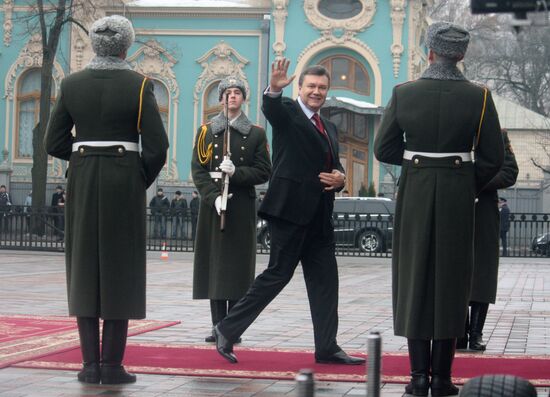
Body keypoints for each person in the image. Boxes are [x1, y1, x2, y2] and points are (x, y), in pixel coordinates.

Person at [374, 22, 504, 397]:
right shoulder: (479, 97)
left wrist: (419, 163)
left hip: (415, 190)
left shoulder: (403, 92)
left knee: (414, 277)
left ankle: (418, 377)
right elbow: (493, 157)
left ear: (429, 51)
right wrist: (464, 182)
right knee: (452, 281)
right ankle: (443, 379)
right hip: (458, 194)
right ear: (460, 55)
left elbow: (383, 150)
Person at [213, 59, 365, 366]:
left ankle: (327, 347)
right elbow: (273, 110)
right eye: (311, 86)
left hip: (320, 216)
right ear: (300, 88)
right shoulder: (288, 113)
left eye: (322, 88)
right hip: (290, 212)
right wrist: (273, 90)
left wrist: (341, 178)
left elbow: (332, 166)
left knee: (325, 281)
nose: (316, 92)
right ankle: (226, 329)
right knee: (278, 274)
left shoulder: (330, 127)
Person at [44, 15, 169, 385]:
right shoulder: (141, 85)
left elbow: (53, 142)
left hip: (82, 180)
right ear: (126, 47)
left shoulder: (71, 84)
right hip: (124, 179)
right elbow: (158, 147)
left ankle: (89, 366)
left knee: (83, 266)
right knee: (121, 267)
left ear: (95, 45)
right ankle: (112, 366)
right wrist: (136, 175)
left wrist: (84, 157)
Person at [191, 76, 271, 343]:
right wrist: (212, 197)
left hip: (240, 205)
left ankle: (232, 328)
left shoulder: (256, 133)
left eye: (237, 92)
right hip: (213, 205)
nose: (232, 97)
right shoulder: (206, 132)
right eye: (227, 92)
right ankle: (217, 326)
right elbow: (198, 170)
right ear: (221, 98)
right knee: (214, 264)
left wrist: (237, 172)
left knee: (236, 267)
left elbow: (264, 171)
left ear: (243, 98)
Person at [457, 130, 518, 352]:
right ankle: (458, 333)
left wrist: (479, 182)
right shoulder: (454, 128)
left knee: (482, 274)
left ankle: (475, 333)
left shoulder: (496, 135)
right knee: (455, 273)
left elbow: (510, 171)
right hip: (455, 209)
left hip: (483, 212)